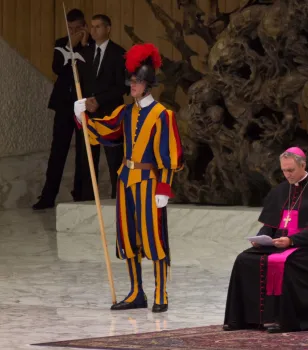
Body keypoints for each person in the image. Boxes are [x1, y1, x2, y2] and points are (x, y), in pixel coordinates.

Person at [73, 43, 184, 313]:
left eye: (135, 82)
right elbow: (106, 131)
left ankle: (161, 293)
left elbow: (171, 154)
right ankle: (136, 292)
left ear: (147, 84)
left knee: (154, 238)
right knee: (129, 237)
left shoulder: (163, 115)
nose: (131, 86)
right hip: (126, 180)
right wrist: (82, 115)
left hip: (149, 183)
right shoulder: (126, 112)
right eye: (130, 81)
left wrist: (164, 187)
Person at [223, 147, 308, 333]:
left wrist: (291, 241)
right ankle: (244, 319)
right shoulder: (280, 191)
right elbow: (270, 224)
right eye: (284, 170)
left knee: (287, 264)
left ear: (303, 165)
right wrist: (262, 237)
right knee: (244, 259)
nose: (287, 175)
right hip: (277, 245)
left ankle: (286, 321)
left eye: (291, 170)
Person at [33, 9, 92, 210]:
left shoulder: (91, 44)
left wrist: (83, 46)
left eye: (78, 28)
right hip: (64, 105)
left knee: (84, 153)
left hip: (84, 106)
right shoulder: (61, 43)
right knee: (58, 150)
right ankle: (48, 196)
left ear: (84, 26)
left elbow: (91, 71)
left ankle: (81, 195)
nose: (74, 32)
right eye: (70, 28)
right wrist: (69, 46)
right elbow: (57, 68)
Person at [77, 14, 127, 201]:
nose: (94, 30)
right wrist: (85, 101)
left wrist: (98, 100)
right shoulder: (85, 53)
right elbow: (78, 81)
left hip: (110, 113)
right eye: (92, 26)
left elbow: (122, 86)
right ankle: (88, 198)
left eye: (98, 26)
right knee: (87, 158)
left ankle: (117, 197)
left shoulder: (119, 53)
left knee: (114, 157)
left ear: (108, 28)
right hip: (88, 113)